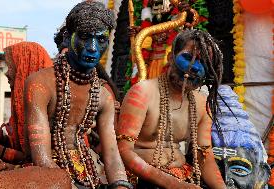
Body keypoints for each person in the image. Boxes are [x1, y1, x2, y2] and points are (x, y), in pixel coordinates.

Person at [24, 1, 131, 189]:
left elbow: (112, 154)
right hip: (49, 174)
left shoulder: (103, 95)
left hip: (89, 170)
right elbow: (42, 160)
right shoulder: (40, 84)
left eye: (101, 39)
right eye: (84, 37)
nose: (92, 47)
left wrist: (120, 185)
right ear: (67, 36)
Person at [116, 29, 226, 189]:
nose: (195, 67)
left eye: (203, 63)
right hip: (140, 180)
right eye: (188, 57)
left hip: (182, 176)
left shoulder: (202, 103)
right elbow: (124, 151)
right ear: (170, 58)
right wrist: (172, 184)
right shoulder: (142, 92)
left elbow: (204, 157)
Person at [0, 42, 53, 166]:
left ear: (26, 67)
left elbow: (39, 163)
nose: (6, 73)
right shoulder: (19, 110)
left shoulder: (50, 108)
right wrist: (2, 138)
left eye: (10, 66)